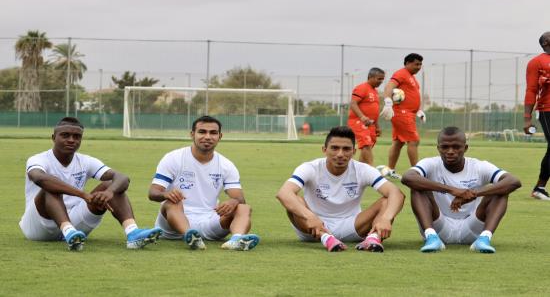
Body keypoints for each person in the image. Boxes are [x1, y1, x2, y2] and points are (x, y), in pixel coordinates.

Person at [20, 117, 162, 251]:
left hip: (74, 223)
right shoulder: (38, 159)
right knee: (49, 187)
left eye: (77, 137)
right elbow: (39, 178)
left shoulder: (86, 161)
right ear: (53, 138)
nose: (71, 140)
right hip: (39, 225)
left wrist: (109, 192)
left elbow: (122, 178)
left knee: (110, 185)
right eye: (65, 135)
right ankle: (68, 231)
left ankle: (132, 232)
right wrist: (83, 194)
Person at [276, 126, 405, 252]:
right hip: (312, 227)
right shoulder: (310, 167)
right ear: (324, 150)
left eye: (346, 149)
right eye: (335, 148)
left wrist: (386, 218)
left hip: (352, 227)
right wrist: (310, 217)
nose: (340, 154)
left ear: (353, 152)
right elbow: (284, 193)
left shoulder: (363, 169)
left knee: (387, 201)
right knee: (295, 199)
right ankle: (326, 238)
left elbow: (396, 193)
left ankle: (373, 239)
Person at [401, 126, 521, 253]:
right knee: (417, 187)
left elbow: (513, 181)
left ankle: (484, 239)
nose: (450, 151)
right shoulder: (430, 163)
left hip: (472, 227)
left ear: (465, 148)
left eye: (456, 147)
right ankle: (431, 238)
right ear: (438, 148)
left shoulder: (479, 166)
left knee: (500, 190)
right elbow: (407, 177)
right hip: (439, 227)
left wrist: (474, 194)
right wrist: (452, 190)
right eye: (445, 147)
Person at [148, 115, 260, 251]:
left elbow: (239, 198)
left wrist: (233, 202)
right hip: (173, 225)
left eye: (213, 133)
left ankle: (237, 239)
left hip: (209, 220)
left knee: (243, 207)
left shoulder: (226, 165)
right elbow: (153, 193)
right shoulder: (173, 158)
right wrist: (166, 194)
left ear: (220, 136)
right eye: (202, 132)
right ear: (192, 134)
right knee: (172, 202)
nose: (207, 137)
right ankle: (189, 236)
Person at [380, 53, 426, 179]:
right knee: (414, 141)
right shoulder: (401, 73)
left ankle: (390, 170)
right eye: (416, 64)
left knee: (398, 142)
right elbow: (389, 86)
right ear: (407, 63)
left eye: (420, 64)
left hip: (409, 113)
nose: (419, 67)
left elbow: (412, 96)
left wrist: (418, 111)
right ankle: (416, 174)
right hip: (402, 113)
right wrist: (388, 102)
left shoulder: (412, 78)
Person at [524, 31, 550, 200]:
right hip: (548, 110)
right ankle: (539, 187)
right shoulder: (536, 62)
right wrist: (527, 118)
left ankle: (539, 188)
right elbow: (531, 90)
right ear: (546, 42)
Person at [347, 67, 385, 165]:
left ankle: (360, 172)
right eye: (379, 79)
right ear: (370, 77)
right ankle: (373, 173)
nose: (381, 81)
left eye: (382, 79)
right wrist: (362, 117)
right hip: (358, 122)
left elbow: (374, 111)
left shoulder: (375, 92)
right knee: (366, 145)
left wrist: (377, 126)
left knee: (368, 146)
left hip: (371, 124)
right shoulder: (362, 88)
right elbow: (353, 103)